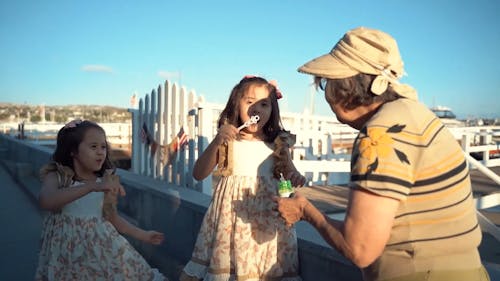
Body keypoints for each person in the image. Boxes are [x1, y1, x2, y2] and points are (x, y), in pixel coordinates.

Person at [274, 27, 490, 281]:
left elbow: (360, 249)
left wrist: (304, 210)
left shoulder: (379, 135)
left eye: (327, 84)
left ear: (346, 86)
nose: (327, 95)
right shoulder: (414, 114)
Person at [180, 76, 306, 281]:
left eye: (264, 104)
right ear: (235, 104)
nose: (257, 109)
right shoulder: (228, 140)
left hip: (268, 222)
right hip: (233, 219)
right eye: (249, 102)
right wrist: (217, 141)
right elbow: (198, 173)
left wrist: (295, 177)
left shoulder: (279, 143)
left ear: (272, 110)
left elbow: (289, 173)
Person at [35, 120, 168, 281]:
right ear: (73, 150)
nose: (100, 152)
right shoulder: (58, 176)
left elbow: (112, 218)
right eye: (93, 147)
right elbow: (45, 201)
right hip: (66, 255)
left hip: (100, 252)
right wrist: (91, 187)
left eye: (103, 147)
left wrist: (144, 235)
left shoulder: (106, 180)